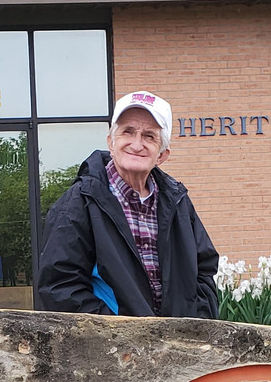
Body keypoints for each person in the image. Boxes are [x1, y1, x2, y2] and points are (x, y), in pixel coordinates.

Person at [37, 90, 219, 318]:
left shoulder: (178, 203)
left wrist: (193, 324)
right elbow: (60, 286)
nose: (137, 144)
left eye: (149, 136)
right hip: (110, 348)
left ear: (162, 155)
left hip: (176, 346)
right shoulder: (79, 203)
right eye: (128, 132)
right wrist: (119, 333)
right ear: (111, 143)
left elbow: (204, 269)